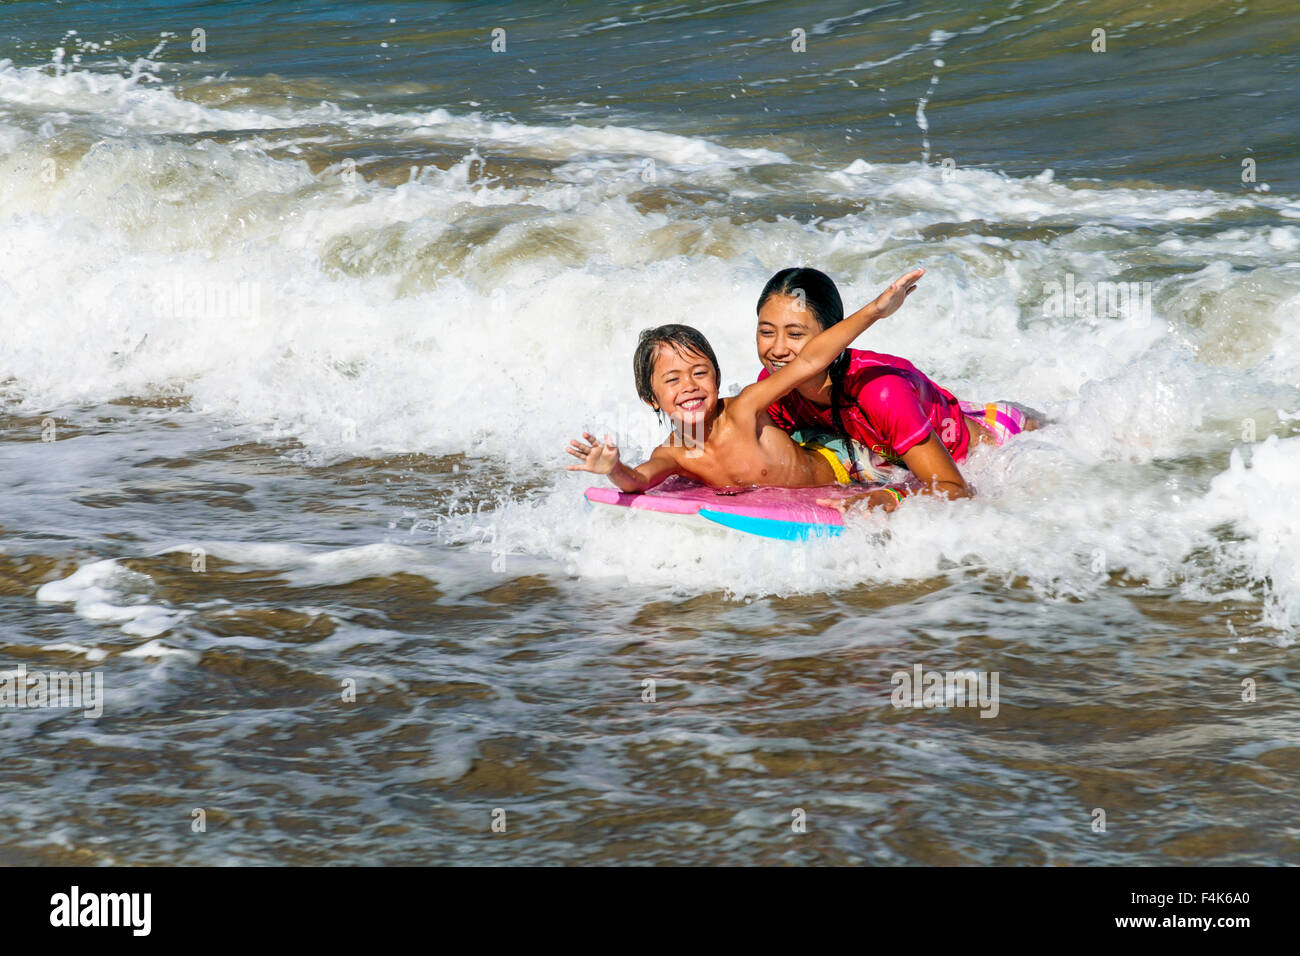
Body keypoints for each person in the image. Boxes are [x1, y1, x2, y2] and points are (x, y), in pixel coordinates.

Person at [566, 270, 926, 494]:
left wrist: (877, 309)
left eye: (700, 372)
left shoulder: (746, 408)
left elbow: (812, 360)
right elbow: (640, 480)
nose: (689, 385)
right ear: (651, 399)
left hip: (847, 467)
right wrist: (613, 469)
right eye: (672, 379)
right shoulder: (676, 453)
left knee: (919, 478)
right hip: (806, 456)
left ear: (718, 378)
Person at [754, 267, 1045, 512]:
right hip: (932, 418)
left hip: (994, 441)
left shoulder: (881, 393)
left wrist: (891, 497)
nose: (777, 349)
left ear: (834, 335)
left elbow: (956, 489)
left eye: (795, 334)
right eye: (766, 332)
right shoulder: (772, 387)